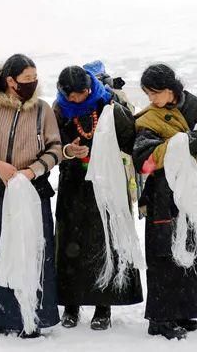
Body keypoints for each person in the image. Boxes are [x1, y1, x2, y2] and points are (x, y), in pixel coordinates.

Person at [0, 54, 63, 338]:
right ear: (10, 81)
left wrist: (32, 171)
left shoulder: (42, 110)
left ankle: (32, 316)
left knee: (32, 252)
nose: (32, 84)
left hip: (32, 192)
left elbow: (55, 149)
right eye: (26, 79)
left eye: (34, 79)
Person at [132, 64, 197, 340]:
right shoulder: (148, 120)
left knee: (194, 249)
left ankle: (186, 309)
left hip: (193, 194)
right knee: (164, 255)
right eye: (148, 93)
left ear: (172, 89)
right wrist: (181, 144)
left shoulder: (193, 105)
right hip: (163, 196)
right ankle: (161, 317)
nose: (152, 99)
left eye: (156, 92)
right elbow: (145, 160)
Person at [53, 66, 143, 331]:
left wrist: (115, 120)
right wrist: (68, 150)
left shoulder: (109, 103)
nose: (78, 100)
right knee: (71, 243)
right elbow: (48, 144)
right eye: (73, 96)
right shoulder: (57, 111)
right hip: (73, 184)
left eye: (82, 94)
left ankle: (104, 305)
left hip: (107, 183)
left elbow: (129, 139)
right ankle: (71, 304)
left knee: (106, 241)